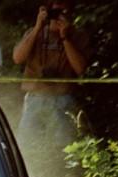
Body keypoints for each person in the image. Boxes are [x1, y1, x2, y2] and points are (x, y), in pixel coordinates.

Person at [12, 1, 89, 155]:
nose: (58, 16)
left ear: (70, 14)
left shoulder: (77, 36)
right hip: (35, 98)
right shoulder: (34, 33)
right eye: (55, 12)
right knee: (26, 148)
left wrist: (65, 38)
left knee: (63, 150)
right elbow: (18, 58)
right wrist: (38, 27)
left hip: (62, 100)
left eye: (63, 12)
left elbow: (80, 68)